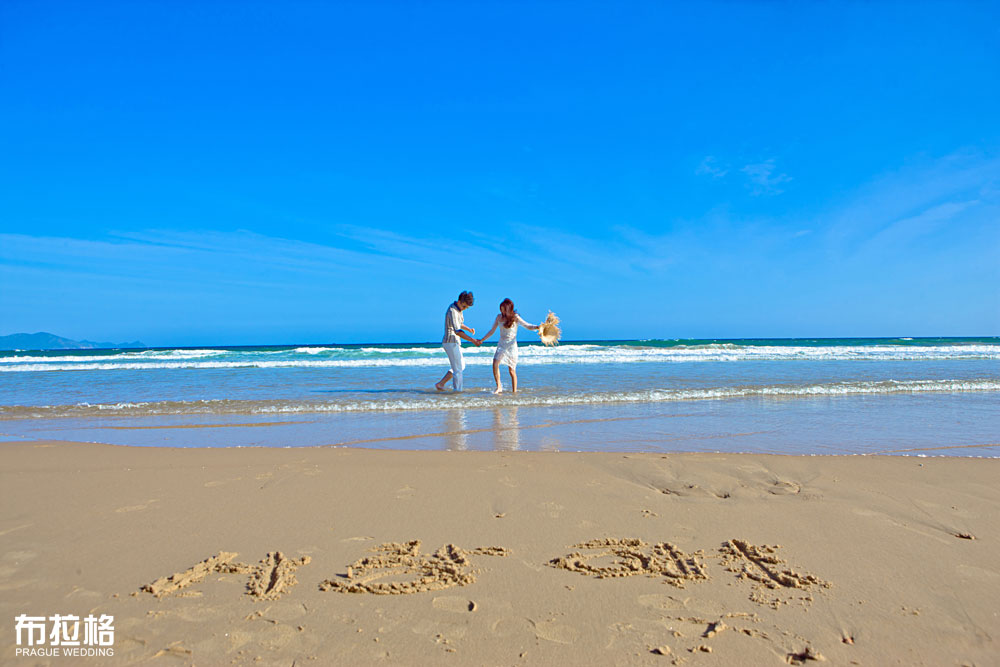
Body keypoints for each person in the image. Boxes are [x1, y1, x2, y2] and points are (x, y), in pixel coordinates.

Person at [477, 298, 539, 394]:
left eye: (503, 309)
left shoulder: (515, 317)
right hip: (502, 344)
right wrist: (482, 339)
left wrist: (537, 327)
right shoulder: (498, 317)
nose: (501, 311)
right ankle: (499, 387)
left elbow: (527, 326)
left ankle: (514, 392)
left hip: (512, 346)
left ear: (508, 309)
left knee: (511, 370)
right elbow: (492, 331)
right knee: (495, 363)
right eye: (500, 309)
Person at [435, 291, 480, 392]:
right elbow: (458, 331)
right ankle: (457, 392)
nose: (464, 309)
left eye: (466, 308)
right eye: (464, 306)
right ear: (459, 301)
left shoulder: (459, 310)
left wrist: (469, 329)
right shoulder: (452, 310)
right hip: (450, 341)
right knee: (458, 370)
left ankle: (440, 384)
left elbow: (460, 324)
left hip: (455, 342)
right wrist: (472, 340)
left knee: (461, 366)